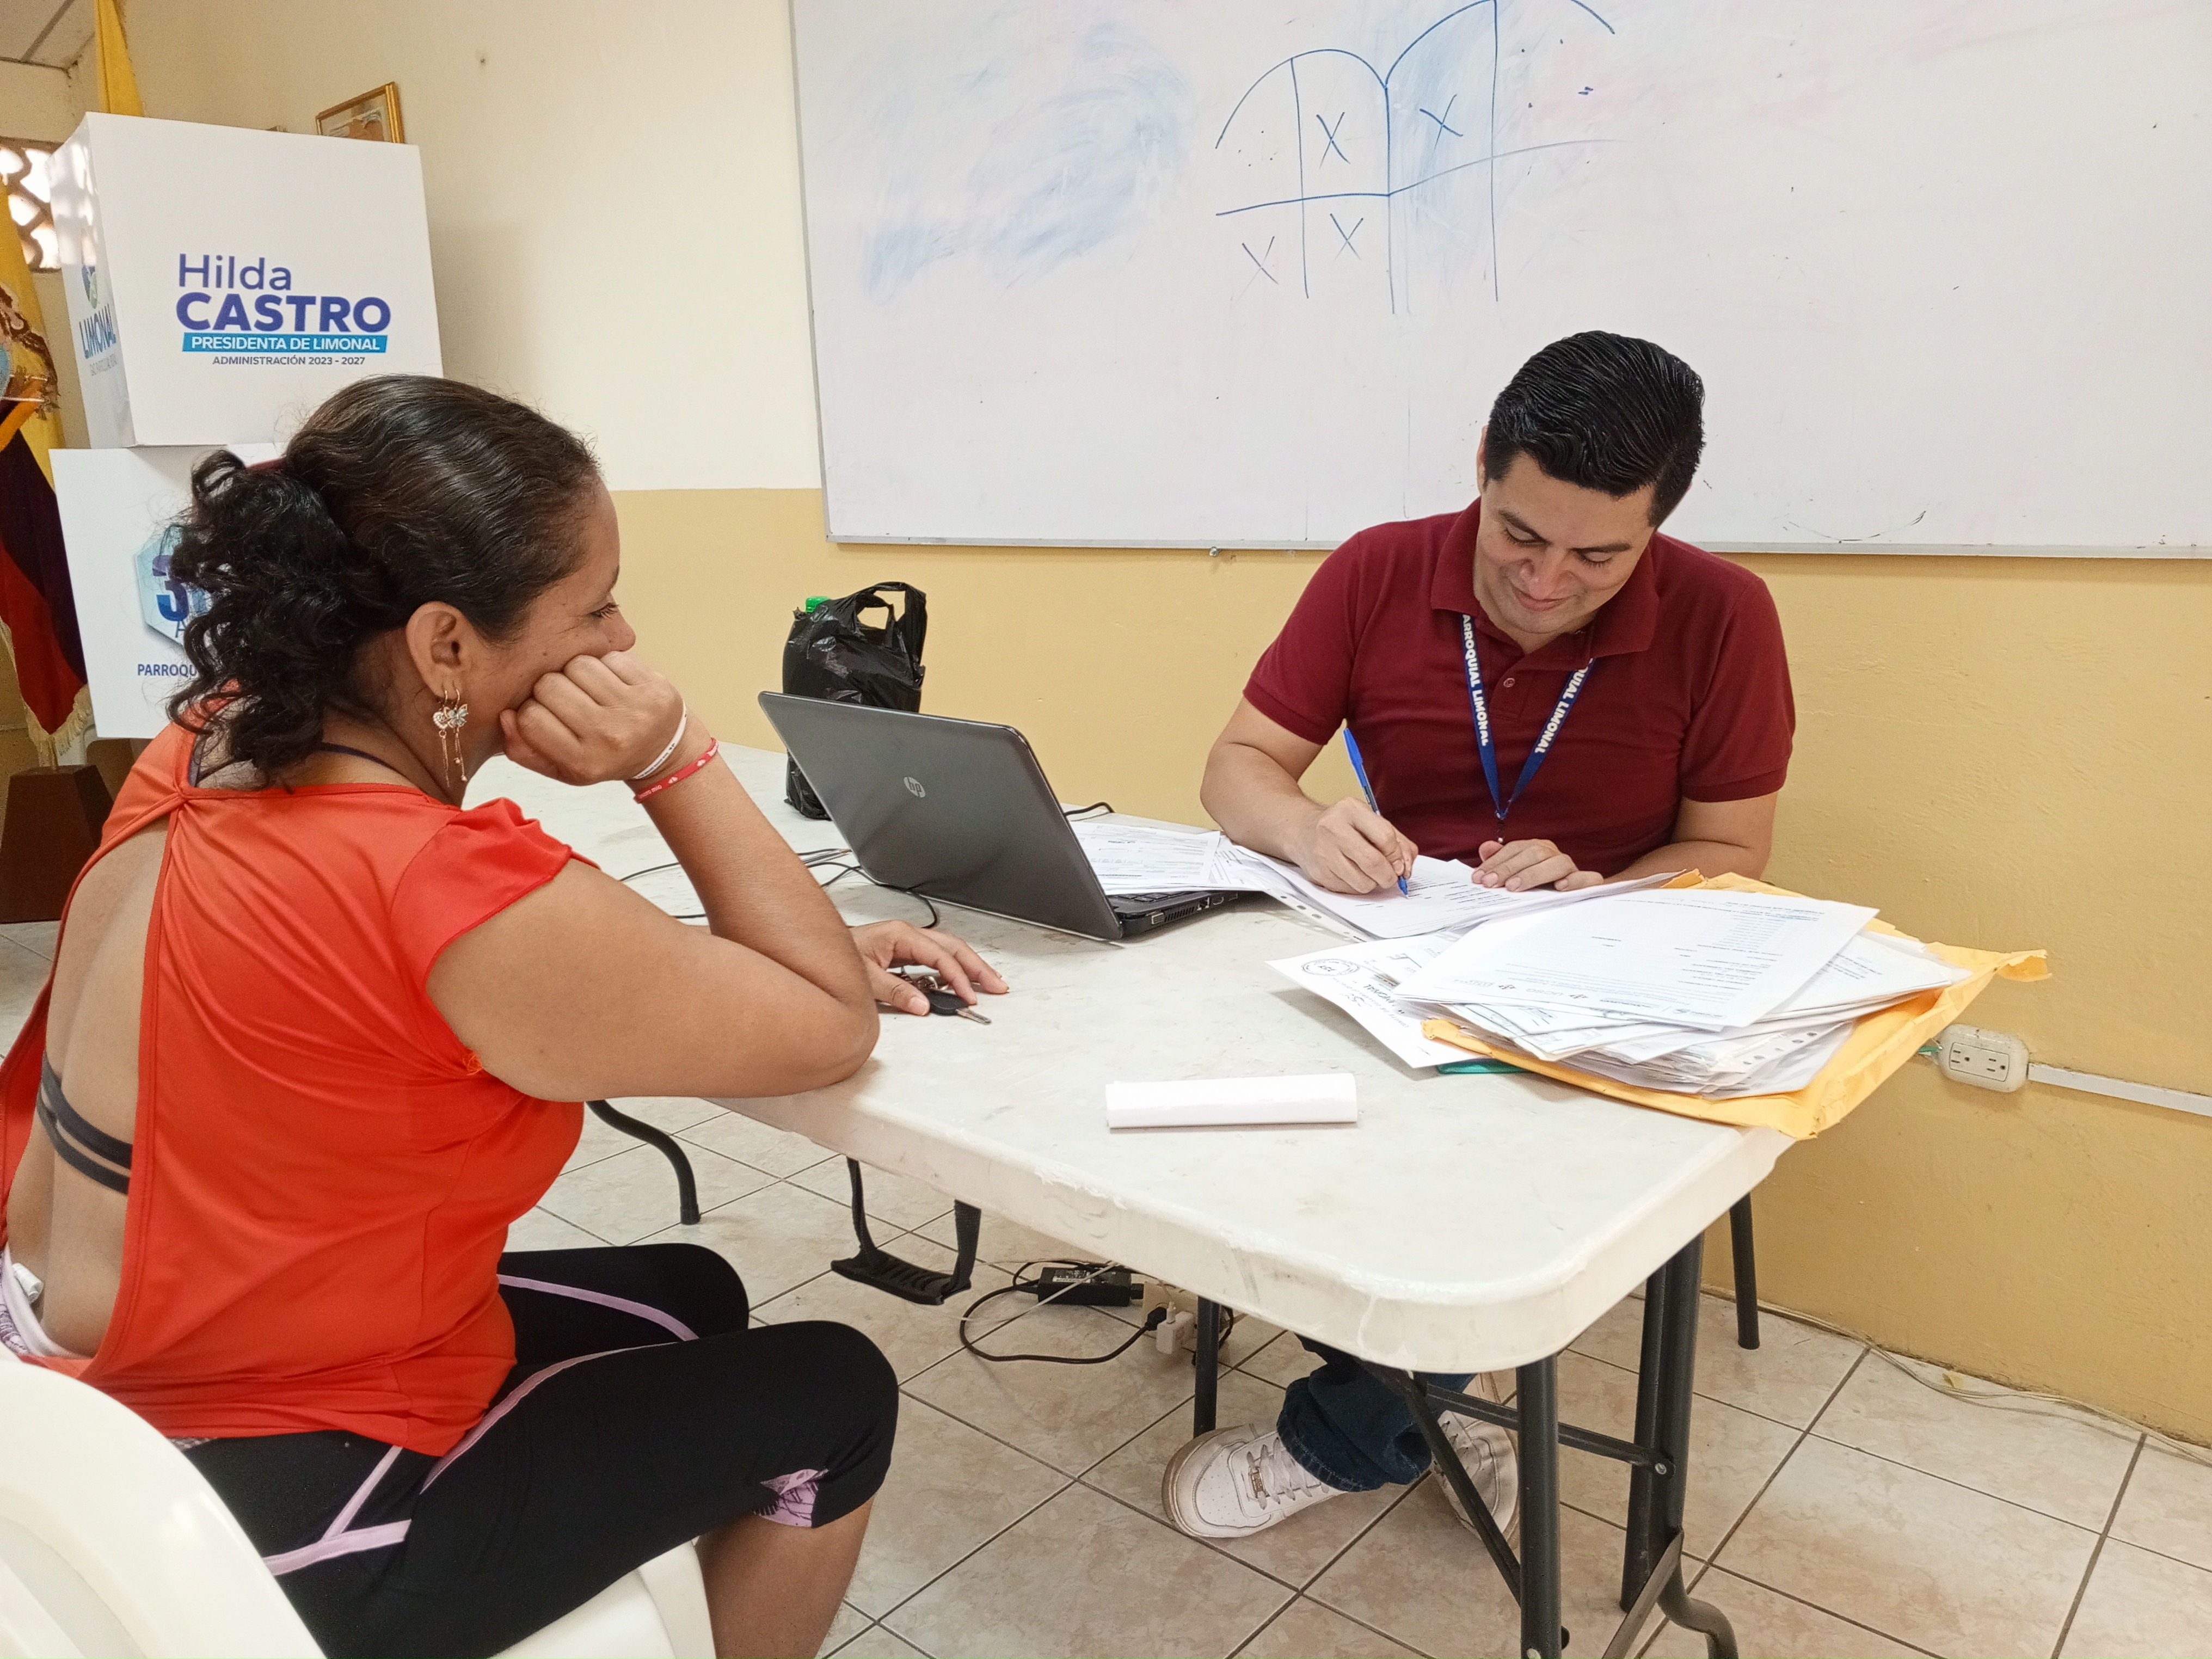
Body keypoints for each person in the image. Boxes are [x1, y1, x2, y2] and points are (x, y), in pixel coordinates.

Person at [0, 374, 1008, 1659]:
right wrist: (675, 756)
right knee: (837, 1391)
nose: (622, 641)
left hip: (79, 1390)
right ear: (445, 647)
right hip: (258, 1502)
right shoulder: (448, 888)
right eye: (594, 606)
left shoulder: (209, 743)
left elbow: (431, 970)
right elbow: (827, 1024)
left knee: (694, 1289)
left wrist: (749, 957)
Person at [1162, 333, 1793, 1541]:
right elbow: (1237, 767)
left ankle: (1354, 1432)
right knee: (1236, 1103)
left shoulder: (1725, 614)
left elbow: (1729, 850)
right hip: (1387, 950)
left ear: (1658, 526)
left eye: (1598, 556)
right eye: (1519, 536)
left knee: (1476, 1186)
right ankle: (1444, 1386)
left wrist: (1599, 890)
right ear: (1483, 469)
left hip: (1595, 975)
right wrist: (1305, 828)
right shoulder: (1378, 570)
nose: (1546, 583)